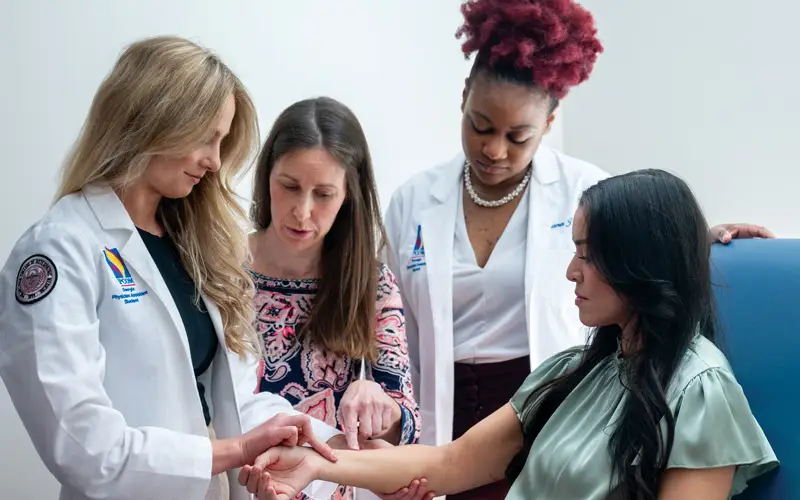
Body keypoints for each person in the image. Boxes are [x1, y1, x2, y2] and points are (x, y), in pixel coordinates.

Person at [380, 1, 774, 497]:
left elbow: (639, 244)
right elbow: (387, 322)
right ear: (463, 98)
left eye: (517, 136)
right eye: (480, 126)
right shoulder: (411, 200)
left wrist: (706, 239)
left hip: (553, 403)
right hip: (454, 403)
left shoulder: (584, 190)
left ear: (548, 123)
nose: (494, 149)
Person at [238, 168, 780, 500]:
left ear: (639, 264)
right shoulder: (572, 372)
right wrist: (314, 462)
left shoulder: (699, 388)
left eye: (588, 257)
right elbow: (447, 463)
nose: (571, 272)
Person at [0, 36, 341, 500]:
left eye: (221, 141)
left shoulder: (195, 241)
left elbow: (229, 399)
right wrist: (232, 450)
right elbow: (83, 447)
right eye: (206, 137)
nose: (215, 161)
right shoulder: (58, 250)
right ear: (150, 120)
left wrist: (338, 452)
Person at [246, 96, 423, 500]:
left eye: (323, 194)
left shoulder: (370, 284)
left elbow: (407, 428)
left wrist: (380, 404)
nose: (302, 211)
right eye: (289, 186)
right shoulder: (223, 274)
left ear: (348, 197)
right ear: (266, 176)